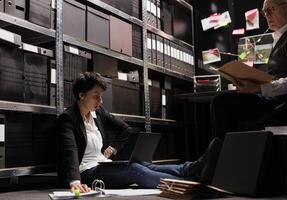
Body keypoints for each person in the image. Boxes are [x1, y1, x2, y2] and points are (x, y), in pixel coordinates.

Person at [56, 72, 222, 192]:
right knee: (134, 171)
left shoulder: (97, 112)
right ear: (81, 95)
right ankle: (190, 184)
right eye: (96, 96)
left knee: (141, 165)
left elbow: (124, 129)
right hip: (85, 173)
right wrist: (75, 181)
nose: (100, 101)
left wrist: (113, 148)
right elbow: (69, 151)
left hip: (101, 165)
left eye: (101, 96)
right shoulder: (68, 119)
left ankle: (193, 168)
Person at [210, 0, 287, 140]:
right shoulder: (281, 36)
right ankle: (226, 156)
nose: (267, 16)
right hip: (275, 99)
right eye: (264, 12)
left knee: (221, 102)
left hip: (284, 104)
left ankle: (218, 157)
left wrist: (259, 88)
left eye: (270, 10)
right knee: (226, 102)